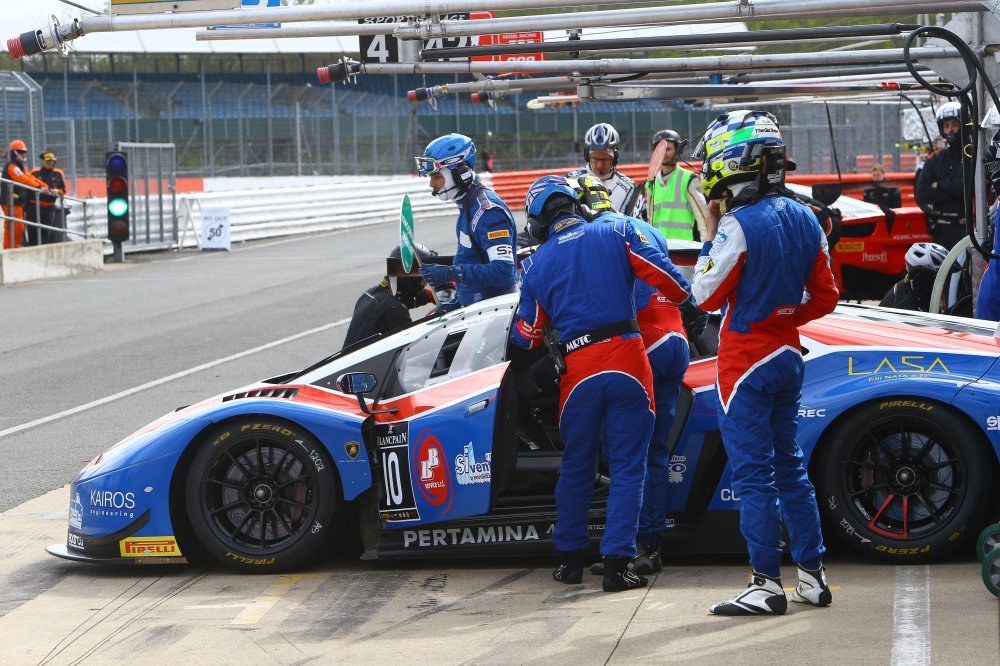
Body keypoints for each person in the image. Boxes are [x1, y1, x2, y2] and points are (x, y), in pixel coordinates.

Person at [510, 175, 692, 592]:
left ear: (537, 222)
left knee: (576, 465)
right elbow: (673, 283)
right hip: (629, 360)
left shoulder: (534, 265)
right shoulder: (618, 232)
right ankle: (617, 566)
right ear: (576, 205)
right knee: (629, 468)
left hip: (577, 370)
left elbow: (527, 335)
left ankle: (569, 563)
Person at [691, 110, 839, 616]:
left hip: (745, 362)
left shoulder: (736, 223)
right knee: (790, 468)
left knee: (754, 476)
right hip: (787, 354)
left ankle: (765, 584)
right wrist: (784, 315)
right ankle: (813, 579)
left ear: (732, 161)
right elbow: (827, 297)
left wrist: (710, 231)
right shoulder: (806, 216)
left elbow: (704, 295)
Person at [572, 175, 705, 576]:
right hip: (676, 340)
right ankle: (651, 546)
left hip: (644, 343)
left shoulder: (595, 237)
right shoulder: (645, 229)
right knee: (655, 450)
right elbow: (672, 285)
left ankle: (625, 548)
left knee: (624, 453)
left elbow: (631, 299)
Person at [414, 133, 517, 312]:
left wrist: (450, 273)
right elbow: (473, 260)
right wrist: (456, 303)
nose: (432, 184)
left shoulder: (488, 212)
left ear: (461, 174)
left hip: (492, 314)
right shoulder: (469, 206)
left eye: (436, 177)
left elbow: (503, 272)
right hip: (476, 309)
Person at [342, 244, 441, 349]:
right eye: (423, 276)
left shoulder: (373, 294)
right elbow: (414, 348)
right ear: (408, 277)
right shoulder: (396, 311)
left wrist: (428, 295)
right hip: (367, 359)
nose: (425, 282)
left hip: (351, 357)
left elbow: (404, 299)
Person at [915, 102, 973, 250]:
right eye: (946, 125)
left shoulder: (974, 155)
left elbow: (970, 188)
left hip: (968, 230)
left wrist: (939, 185)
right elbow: (921, 193)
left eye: (955, 124)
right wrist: (956, 191)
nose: (950, 129)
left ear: (964, 125)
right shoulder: (935, 158)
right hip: (941, 231)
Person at [567, 123, 644, 217]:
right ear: (587, 156)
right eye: (595, 159)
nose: (600, 165)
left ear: (615, 157)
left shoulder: (629, 187)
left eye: (605, 159)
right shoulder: (570, 181)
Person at [644, 129, 709, 241]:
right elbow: (650, 220)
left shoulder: (689, 179)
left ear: (677, 150)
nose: (663, 153)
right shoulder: (651, 183)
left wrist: (706, 245)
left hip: (683, 247)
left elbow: (703, 216)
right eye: (660, 149)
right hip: (660, 246)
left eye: (668, 149)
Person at [1, 139, 51, 249]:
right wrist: (39, 188)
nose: (24, 154)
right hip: (10, 202)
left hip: (17, 202)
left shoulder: (19, 167)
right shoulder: (12, 167)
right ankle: (11, 249)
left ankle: (12, 248)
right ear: (14, 153)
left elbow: (30, 177)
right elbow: (23, 179)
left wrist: (45, 186)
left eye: (24, 152)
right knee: (15, 226)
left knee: (16, 227)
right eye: (21, 152)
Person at [879, 242, 952, 312]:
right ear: (922, 275)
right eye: (936, 276)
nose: (944, 282)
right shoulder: (905, 301)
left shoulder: (915, 291)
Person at [28, 151, 68, 245]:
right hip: (34, 206)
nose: (50, 163)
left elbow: (63, 190)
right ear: (43, 161)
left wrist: (57, 191)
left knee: (46, 232)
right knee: (32, 231)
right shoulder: (34, 172)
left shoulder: (58, 173)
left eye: (52, 161)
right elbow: (27, 187)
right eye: (48, 161)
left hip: (49, 207)